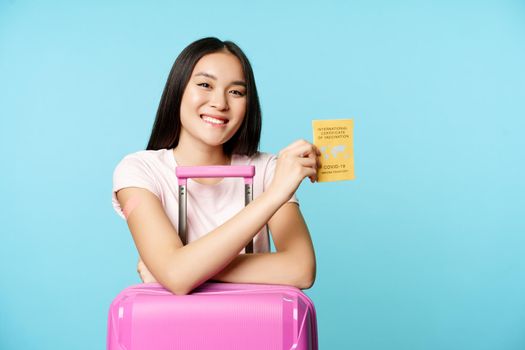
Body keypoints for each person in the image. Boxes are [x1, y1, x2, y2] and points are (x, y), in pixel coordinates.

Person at [112, 37, 320, 295]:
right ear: (178, 90)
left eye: (236, 92)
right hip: (172, 330)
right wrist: (273, 196)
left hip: (254, 327)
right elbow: (176, 275)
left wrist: (179, 267)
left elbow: (301, 269)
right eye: (204, 85)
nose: (220, 103)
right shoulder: (138, 171)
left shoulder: (268, 170)